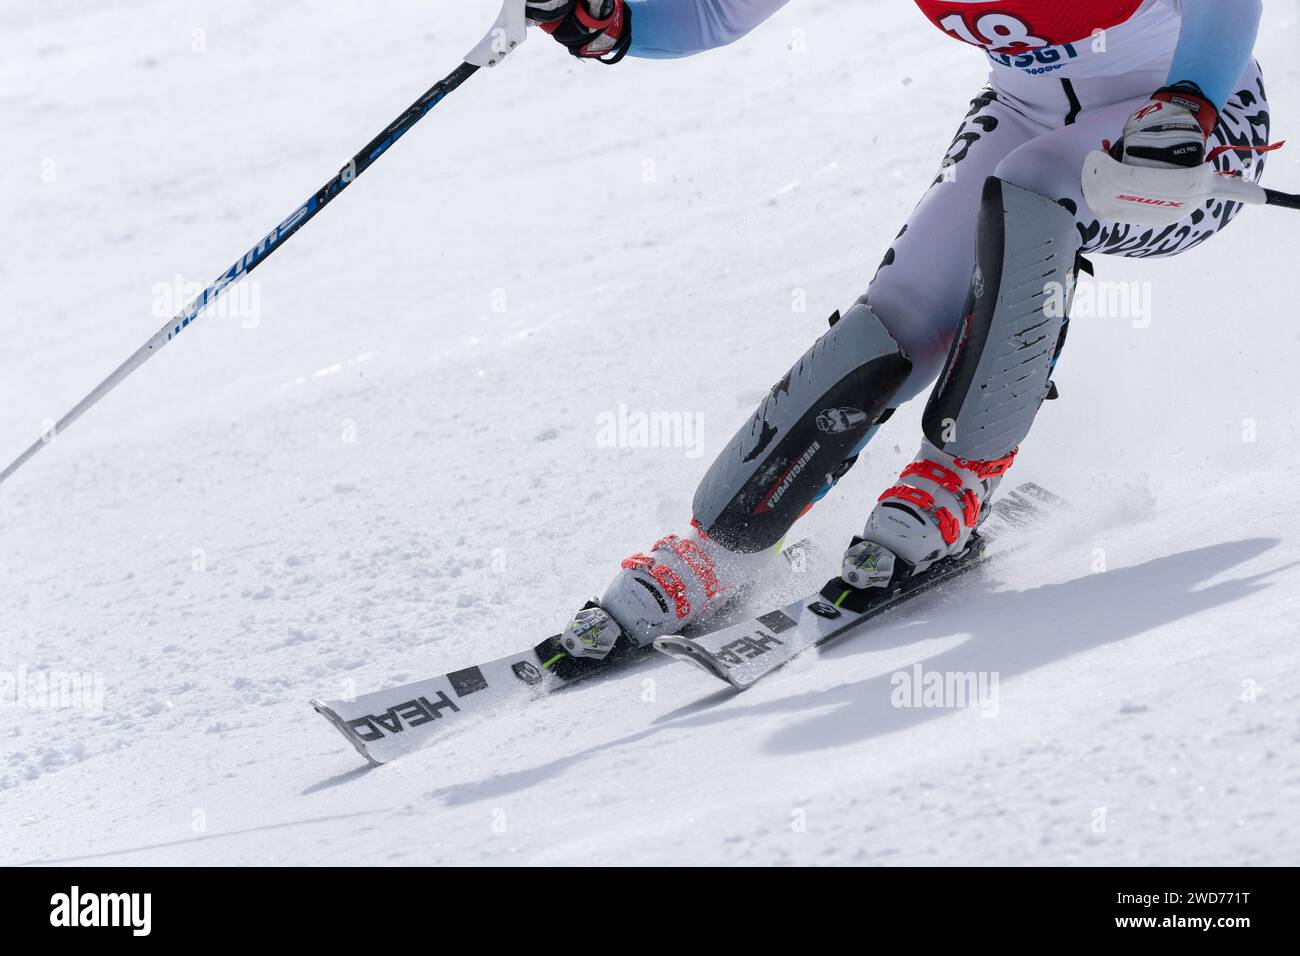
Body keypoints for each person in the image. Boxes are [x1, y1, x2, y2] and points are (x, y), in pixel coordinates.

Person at [524, 0, 1271, 658]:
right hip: (1025, 114)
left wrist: (1190, 100)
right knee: (902, 310)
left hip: (1195, 128)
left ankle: (960, 476)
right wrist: (612, 20)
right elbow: (717, 12)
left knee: (1033, 186)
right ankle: (725, 543)